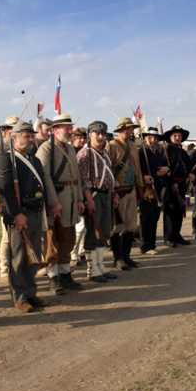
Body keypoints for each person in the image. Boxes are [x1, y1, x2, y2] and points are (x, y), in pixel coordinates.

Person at [0, 121, 47, 312]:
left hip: (35, 211)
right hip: (19, 216)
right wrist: (16, 214)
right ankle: (20, 297)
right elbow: (5, 191)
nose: (30, 138)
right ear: (14, 137)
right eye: (26, 135)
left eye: (31, 135)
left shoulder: (34, 160)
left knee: (34, 256)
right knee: (19, 258)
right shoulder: (5, 160)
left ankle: (31, 293)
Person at [36, 113, 85, 295]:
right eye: (66, 127)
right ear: (55, 130)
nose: (70, 130)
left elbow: (77, 177)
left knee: (68, 238)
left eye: (70, 127)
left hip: (71, 198)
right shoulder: (46, 149)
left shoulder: (71, 149)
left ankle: (65, 275)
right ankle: (53, 278)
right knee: (52, 240)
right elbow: (44, 177)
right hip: (56, 199)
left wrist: (79, 198)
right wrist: (53, 201)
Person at [76, 121, 118, 282]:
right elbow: (83, 179)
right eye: (97, 133)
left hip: (106, 195)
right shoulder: (85, 154)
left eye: (103, 133)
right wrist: (88, 199)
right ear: (90, 135)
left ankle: (101, 266)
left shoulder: (105, 154)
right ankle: (92, 270)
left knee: (104, 231)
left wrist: (113, 194)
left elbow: (110, 176)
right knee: (93, 232)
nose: (101, 137)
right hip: (93, 196)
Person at [108, 117, 144, 270]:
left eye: (131, 128)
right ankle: (118, 258)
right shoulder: (111, 146)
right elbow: (108, 169)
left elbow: (137, 169)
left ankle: (127, 256)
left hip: (131, 189)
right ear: (121, 129)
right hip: (118, 191)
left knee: (131, 226)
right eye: (127, 128)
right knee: (118, 226)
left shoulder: (133, 146)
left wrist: (140, 186)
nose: (130, 131)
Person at [0, 116, 19, 283]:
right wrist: (2, 199)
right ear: (6, 131)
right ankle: (4, 268)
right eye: (12, 129)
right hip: (4, 196)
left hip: (20, 197)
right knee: (7, 236)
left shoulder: (21, 149)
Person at [138, 127, 169, 254]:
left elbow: (167, 165)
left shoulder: (160, 151)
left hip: (159, 187)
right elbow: (137, 169)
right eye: (150, 137)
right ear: (145, 138)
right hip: (146, 189)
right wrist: (143, 177)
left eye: (155, 138)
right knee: (146, 217)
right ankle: (145, 245)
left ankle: (152, 243)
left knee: (155, 216)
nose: (153, 140)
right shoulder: (141, 152)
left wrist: (166, 169)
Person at [163, 125, 193, 247]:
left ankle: (177, 235)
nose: (177, 137)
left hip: (181, 184)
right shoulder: (166, 150)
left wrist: (191, 174)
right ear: (170, 137)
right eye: (175, 135)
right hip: (170, 185)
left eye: (179, 136)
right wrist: (171, 183)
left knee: (179, 210)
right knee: (170, 211)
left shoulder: (182, 151)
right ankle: (169, 237)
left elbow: (188, 165)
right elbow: (165, 168)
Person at [70, 127, 88, 267]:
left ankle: (80, 252)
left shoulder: (85, 153)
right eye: (78, 137)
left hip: (84, 192)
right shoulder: (70, 152)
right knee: (79, 227)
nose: (81, 140)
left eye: (83, 137)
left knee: (84, 227)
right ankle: (73, 254)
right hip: (72, 193)